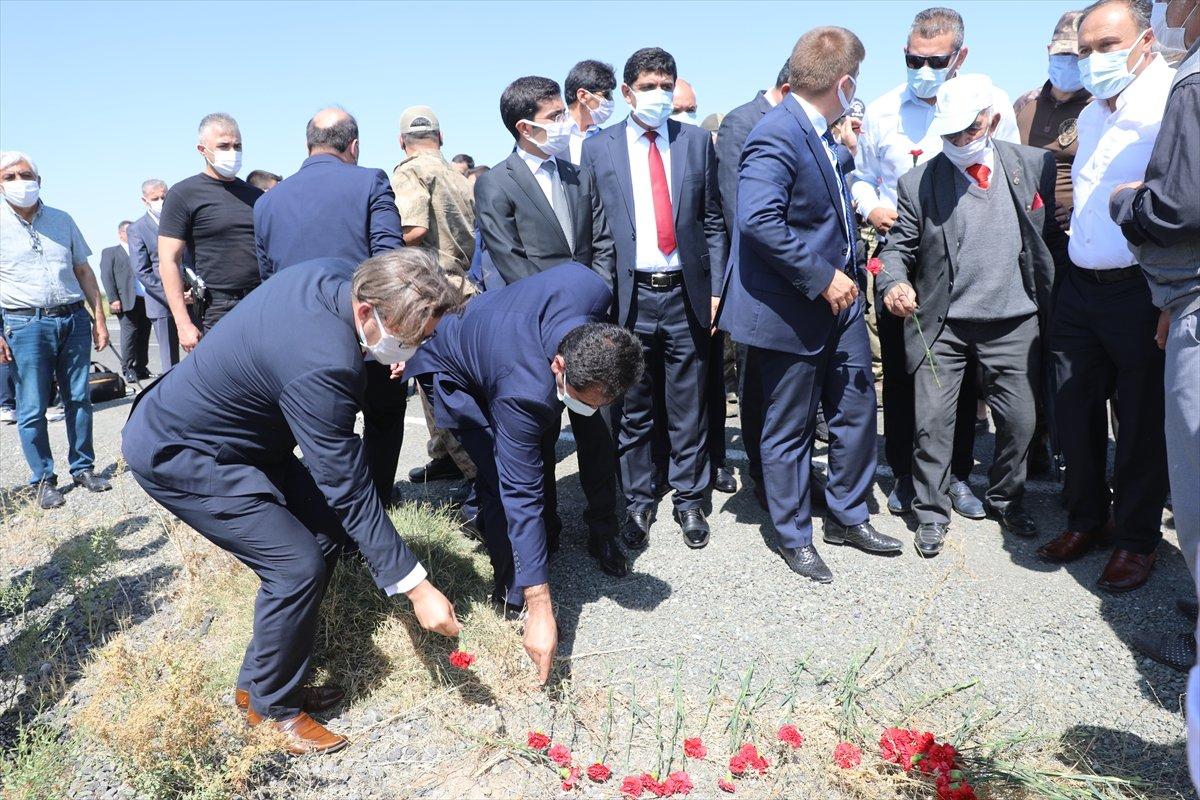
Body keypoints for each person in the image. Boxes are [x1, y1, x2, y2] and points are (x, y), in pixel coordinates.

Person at [121, 249, 464, 754]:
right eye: (409, 338)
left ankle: (258, 683)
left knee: (325, 535)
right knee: (295, 565)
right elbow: (347, 485)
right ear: (368, 311)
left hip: (247, 437)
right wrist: (417, 588)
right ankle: (271, 710)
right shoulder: (323, 366)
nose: (410, 349)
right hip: (186, 452)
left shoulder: (328, 275)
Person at [723, 28, 902, 583]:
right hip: (795, 305)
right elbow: (758, 220)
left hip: (839, 301)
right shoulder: (777, 133)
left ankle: (847, 515)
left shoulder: (822, 131)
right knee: (789, 427)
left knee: (853, 410)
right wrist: (822, 276)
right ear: (844, 83)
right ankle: (794, 532)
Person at [406, 262, 643, 684]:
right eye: (583, 400)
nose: (591, 412)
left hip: (504, 339)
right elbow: (522, 491)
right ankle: (512, 592)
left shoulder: (592, 289)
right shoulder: (522, 393)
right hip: (458, 371)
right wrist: (541, 606)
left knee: (541, 454)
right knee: (502, 483)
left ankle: (540, 544)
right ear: (559, 365)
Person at [876, 75, 1067, 556]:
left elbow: (1051, 240)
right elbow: (896, 248)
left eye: (968, 132)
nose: (959, 143)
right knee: (931, 425)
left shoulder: (1034, 165)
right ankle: (930, 513)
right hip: (945, 325)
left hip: (1015, 320)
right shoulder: (918, 182)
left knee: (1021, 422)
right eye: (949, 135)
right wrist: (893, 281)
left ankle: (1006, 498)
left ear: (991, 121)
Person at [852, 7, 1022, 521]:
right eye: (912, 59)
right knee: (906, 373)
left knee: (963, 376)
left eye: (935, 60)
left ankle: (957, 475)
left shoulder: (991, 107)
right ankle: (908, 474)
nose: (922, 69)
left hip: (967, 262)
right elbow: (859, 177)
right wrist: (871, 205)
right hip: (902, 257)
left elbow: (1010, 172)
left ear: (960, 57)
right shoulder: (883, 111)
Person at [1037, 0, 1173, 595]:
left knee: (1141, 418)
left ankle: (1136, 539)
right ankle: (1086, 519)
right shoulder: (1093, 112)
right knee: (1075, 406)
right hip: (1080, 283)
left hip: (1141, 289)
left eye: (1107, 46)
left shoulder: (1172, 101)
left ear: (1145, 41)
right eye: (1085, 50)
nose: (1094, 61)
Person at [474, 75, 627, 576]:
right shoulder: (497, 182)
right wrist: (555, 325)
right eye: (554, 116)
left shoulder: (577, 174)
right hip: (534, 337)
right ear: (525, 127)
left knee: (598, 437)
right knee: (538, 442)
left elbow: (602, 242)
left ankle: (605, 530)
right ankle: (547, 535)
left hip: (590, 327)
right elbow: (509, 261)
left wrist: (593, 299)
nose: (564, 123)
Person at [583, 48, 728, 550]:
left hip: (685, 293)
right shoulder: (599, 149)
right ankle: (639, 500)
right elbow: (593, 226)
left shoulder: (694, 143)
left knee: (689, 404)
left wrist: (714, 291)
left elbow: (712, 221)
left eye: (667, 85)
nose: (660, 95)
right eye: (649, 86)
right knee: (634, 406)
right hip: (630, 297)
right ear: (627, 93)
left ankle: (691, 500)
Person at [253, 106, 412, 505]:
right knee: (384, 416)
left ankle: (333, 504)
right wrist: (398, 334)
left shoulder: (267, 203)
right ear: (353, 146)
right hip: (364, 329)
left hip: (300, 339)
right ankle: (376, 499)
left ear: (308, 147)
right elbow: (389, 262)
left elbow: (269, 280)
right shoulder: (370, 181)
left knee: (321, 428)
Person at [1108, 0, 1199, 673]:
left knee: (1193, 482)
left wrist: (1126, 200)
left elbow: (1179, 207)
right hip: (1184, 294)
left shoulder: (1191, 82)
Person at [0, 150, 111, 508]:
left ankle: (83, 467)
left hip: (73, 318)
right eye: (10, 176)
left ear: (39, 180)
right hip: (24, 323)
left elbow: (83, 271)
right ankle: (43, 478)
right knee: (31, 406)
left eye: (25, 174)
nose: (20, 182)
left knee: (79, 397)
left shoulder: (63, 220)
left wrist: (99, 317)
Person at [390, 104, 478, 489]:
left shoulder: (409, 171)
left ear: (401, 142)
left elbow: (412, 228)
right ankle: (444, 456)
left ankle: (476, 474)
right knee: (458, 379)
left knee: (434, 381)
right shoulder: (459, 177)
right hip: (463, 288)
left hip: (429, 293)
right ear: (440, 138)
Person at [715, 61, 792, 499]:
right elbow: (736, 211)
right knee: (758, 384)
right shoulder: (742, 122)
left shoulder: (801, 122)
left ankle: (787, 473)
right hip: (758, 278)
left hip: (796, 278)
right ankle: (764, 478)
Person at [158, 113, 262, 350]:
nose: (232, 152)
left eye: (237, 146)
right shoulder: (183, 194)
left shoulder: (255, 196)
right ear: (202, 149)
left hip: (259, 302)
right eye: (223, 146)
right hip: (217, 308)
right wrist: (183, 323)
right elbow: (168, 261)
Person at [1015, 11, 1091, 229]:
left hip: (1072, 232)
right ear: (1049, 51)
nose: (1067, 62)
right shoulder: (1025, 103)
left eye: (1075, 55)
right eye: (1061, 54)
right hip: (1024, 226)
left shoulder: (1097, 108)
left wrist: (1073, 214)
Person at [127, 179, 185, 373]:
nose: (161, 201)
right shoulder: (137, 229)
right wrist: (172, 295)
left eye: (164, 196)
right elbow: (142, 270)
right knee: (170, 359)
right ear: (145, 200)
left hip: (190, 296)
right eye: (156, 198)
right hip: (161, 301)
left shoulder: (181, 219)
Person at [99, 220, 152, 382]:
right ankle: (128, 369)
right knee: (130, 335)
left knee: (144, 334)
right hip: (125, 301)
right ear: (121, 233)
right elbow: (106, 277)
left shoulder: (141, 250)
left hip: (145, 299)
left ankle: (141, 367)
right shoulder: (111, 252)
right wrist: (113, 298)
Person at [564, 60, 618, 165]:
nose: (610, 101)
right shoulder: (551, 135)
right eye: (606, 95)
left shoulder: (609, 140)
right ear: (583, 96)